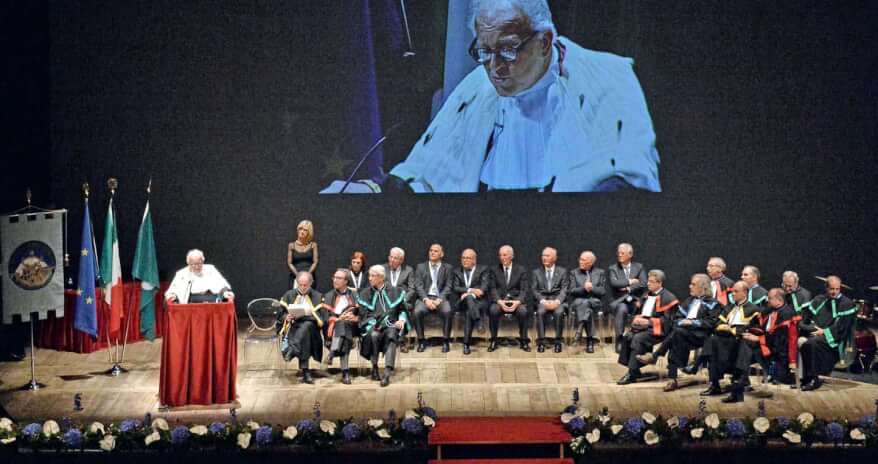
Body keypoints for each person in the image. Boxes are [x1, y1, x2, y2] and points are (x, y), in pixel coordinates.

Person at [321, 0, 660, 193]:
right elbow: (428, 175)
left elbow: (625, 182)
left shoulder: (608, 76)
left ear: (544, 42)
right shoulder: (478, 87)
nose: (495, 68)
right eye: (484, 52)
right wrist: (374, 191)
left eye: (508, 50)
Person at [640, 273, 721, 391]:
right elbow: (677, 317)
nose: (689, 286)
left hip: (702, 336)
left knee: (676, 334)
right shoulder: (689, 301)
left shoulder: (713, 303)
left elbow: (711, 323)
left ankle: (656, 356)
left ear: (703, 287)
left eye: (693, 284)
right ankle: (672, 379)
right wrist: (683, 322)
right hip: (684, 333)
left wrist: (692, 323)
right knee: (676, 337)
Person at [699, 281, 761, 403]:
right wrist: (723, 327)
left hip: (742, 342)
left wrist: (732, 329)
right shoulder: (729, 307)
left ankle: (698, 364)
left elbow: (755, 329)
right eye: (732, 291)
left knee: (721, 346)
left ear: (745, 293)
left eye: (736, 291)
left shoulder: (754, 309)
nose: (732, 294)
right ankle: (715, 385)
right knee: (712, 341)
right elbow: (718, 323)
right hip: (726, 339)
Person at [616, 270, 679, 385]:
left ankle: (631, 374)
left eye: (651, 282)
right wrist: (637, 318)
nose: (648, 284)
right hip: (644, 327)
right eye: (648, 281)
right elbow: (639, 312)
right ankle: (635, 369)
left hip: (659, 329)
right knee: (628, 336)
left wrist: (648, 322)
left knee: (638, 338)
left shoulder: (669, 298)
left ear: (659, 283)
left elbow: (668, 322)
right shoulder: (646, 295)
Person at [798, 276, 857, 391]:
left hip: (835, 338)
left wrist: (824, 332)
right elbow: (806, 317)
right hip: (816, 334)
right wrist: (810, 328)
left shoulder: (846, 304)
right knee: (801, 340)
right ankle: (804, 378)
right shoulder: (819, 299)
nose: (834, 292)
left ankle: (815, 378)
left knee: (811, 344)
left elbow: (842, 327)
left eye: (837, 289)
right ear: (826, 288)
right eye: (831, 289)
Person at [357, 265, 409, 387]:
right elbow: (364, 315)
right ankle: (374, 367)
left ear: (381, 277)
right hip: (372, 325)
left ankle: (387, 372)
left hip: (392, 325)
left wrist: (402, 320)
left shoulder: (396, 291)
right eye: (369, 275)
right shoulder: (365, 294)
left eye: (372, 276)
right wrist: (377, 323)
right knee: (374, 335)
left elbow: (403, 310)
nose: (369, 278)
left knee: (392, 334)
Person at [276, 271, 326, 384]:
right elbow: (280, 314)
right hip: (293, 327)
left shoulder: (318, 296)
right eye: (300, 285)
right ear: (297, 283)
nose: (303, 287)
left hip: (312, 329)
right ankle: (305, 372)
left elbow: (322, 318)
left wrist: (307, 316)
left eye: (305, 285)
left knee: (306, 327)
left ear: (311, 283)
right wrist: (286, 317)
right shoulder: (289, 295)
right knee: (304, 334)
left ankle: (293, 349)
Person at [413, 244, 455, 353]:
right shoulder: (420, 267)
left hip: (440, 298)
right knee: (417, 312)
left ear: (442, 254)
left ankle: (445, 341)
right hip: (425, 298)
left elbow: (449, 286)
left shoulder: (448, 268)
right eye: (431, 250)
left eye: (436, 251)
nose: (432, 252)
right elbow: (418, 286)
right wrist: (426, 300)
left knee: (447, 311)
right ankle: (421, 341)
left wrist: (439, 300)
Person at [488, 245, 531, 352]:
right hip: (500, 301)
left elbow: (524, 290)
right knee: (493, 310)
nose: (502, 258)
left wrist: (517, 302)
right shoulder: (494, 270)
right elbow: (492, 289)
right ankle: (493, 340)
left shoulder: (521, 270)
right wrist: (499, 301)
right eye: (500, 255)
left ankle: (524, 340)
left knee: (523, 311)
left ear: (512, 256)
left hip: (516, 301)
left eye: (505, 255)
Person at [322, 269, 359, 385]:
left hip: (353, 327)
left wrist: (354, 317)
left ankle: (333, 352)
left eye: (338, 278)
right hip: (333, 328)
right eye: (334, 277)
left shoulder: (354, 294)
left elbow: (362, 312)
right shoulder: (329, 295)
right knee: (344, 334)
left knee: (344, 325)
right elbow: (325, 316)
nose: (335, 280)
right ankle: (345, 372)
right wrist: (337, 319)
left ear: (346, 281)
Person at [753, 288, 798, 385]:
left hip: (780, 348)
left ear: (779, 300)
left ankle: (774, 372)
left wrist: (759, 339)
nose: (767, 300)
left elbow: (781, 337)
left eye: (770, 298)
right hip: (768, 342)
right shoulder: (769, 310)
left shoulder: (787, 313)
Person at [607, 243, 647, 351]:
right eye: (618, 253)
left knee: (648, 307)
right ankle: (619, 339)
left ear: (630, 254)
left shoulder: (639, 267)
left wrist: (628, 288)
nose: (619, 255)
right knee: (622, 309)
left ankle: (640, 339)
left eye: (622, 253)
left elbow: (643, 283)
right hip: (619, 301)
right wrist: (630, 281)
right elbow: (615, 283)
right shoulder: (613, 268)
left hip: (635, 301)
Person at [451, 249, 492, 354]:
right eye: (463, 258)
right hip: (461, 303)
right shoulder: (457, 271)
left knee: (469, 312)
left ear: (474, 260)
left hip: (479, 302)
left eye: (468, 258)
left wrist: (469, 294)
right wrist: (471, 291)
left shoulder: (483, 270)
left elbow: (484, 288)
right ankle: (478, 322)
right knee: (469, 300)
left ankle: (466, 344)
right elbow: (455, 288)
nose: (465, 260)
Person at [567, 250, 607, 353]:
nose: (580, 261)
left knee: (586, 305)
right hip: (578, 302)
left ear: (591, 262)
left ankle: (578, 334)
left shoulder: (600, 272)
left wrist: (592, 288)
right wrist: (584, 288)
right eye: (580, 259)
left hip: (595, 302)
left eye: (583, 260)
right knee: (586, 307)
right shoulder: (574, 273)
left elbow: (602, 291)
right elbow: (571, 291)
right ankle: (590, 340)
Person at [531, 247, 568, 353]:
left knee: (559, 312)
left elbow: (564, 289)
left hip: (557, 301)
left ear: (554, 258)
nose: (544, 258)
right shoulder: (536, 272)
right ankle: (541, 342)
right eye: (543, 255)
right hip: (543, 301)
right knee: (540, 312)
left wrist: (557, 302)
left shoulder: (562, 271)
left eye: (547, 256)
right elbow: (534, 290)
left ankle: (558, 342)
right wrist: (543, 301)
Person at [165, 249, 234, 303]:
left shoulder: (211, 269)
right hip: (191, 302)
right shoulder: (181, 273)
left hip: (211, 299)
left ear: (202, 261)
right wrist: (172, 295)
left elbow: (222, 284)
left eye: (199, 263)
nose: (196, 267)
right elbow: (173, 290)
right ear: (188, 263)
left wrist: (225, 292)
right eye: (193, 264)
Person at [287, 220, 319, 289]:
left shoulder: (313, 245)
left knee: (309, 295)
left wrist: (307, 275)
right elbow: (289, 263)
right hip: (295, 276)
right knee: (294, 295)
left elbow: (315, 262)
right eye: (300, 229)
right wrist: (298, 275)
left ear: (309, 232)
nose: (302, 231)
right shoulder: (291, 245)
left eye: (305, 230)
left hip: (309, 276)